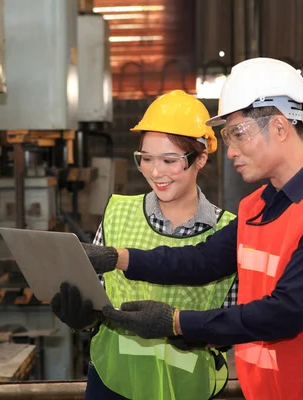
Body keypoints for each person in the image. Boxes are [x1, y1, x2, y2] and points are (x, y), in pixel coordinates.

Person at [77, 58, 303, 400]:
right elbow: (203, 261)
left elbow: (286, 313)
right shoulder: (259, 207)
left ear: (280, 128)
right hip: (272, 388)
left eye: (238, 135)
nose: (231, 151)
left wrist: (176, 322)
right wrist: (116, 258)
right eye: (227, 137)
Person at [51, 90, 238, 400]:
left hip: (187, 392)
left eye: (169, 160)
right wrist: (84, 318)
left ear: (201, 158)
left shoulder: (227, 233)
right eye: (146, 159)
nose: (155, 172)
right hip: (111, 386)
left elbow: (233, 324)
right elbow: (94, 297)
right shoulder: (117, 214)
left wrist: (193, 334)